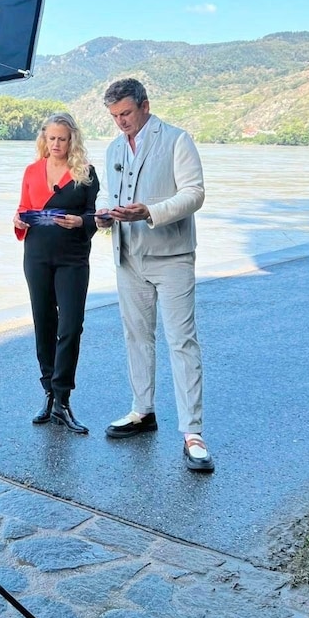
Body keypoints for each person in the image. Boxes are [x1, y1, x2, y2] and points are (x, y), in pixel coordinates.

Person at [95, 77, 214, 472]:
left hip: (173, 257)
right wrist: (103, 217)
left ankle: (192, 433)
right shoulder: (114, 148)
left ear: (145, 105)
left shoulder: (178, 140)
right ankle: (142, 412)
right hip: (128, 257)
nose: (121, 123)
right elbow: (112, 199)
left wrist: (149, 211)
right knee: (136, 338)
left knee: (182, 342)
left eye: (126, 113)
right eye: (114, 116)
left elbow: (194, 193)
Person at [14, 112, 99, 434]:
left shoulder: (86, 173)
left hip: (73, 257)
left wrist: (81, 222)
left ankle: (63, 397)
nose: (56, 144)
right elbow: (23, 209)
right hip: (36, 255)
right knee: (44, 323)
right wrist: (18, 220)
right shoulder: (32, 170)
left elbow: (96, 216)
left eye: (62, 138)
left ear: (71, 139)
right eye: (51, 138)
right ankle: (49, 394)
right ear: (44, 139)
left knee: (71, 325)